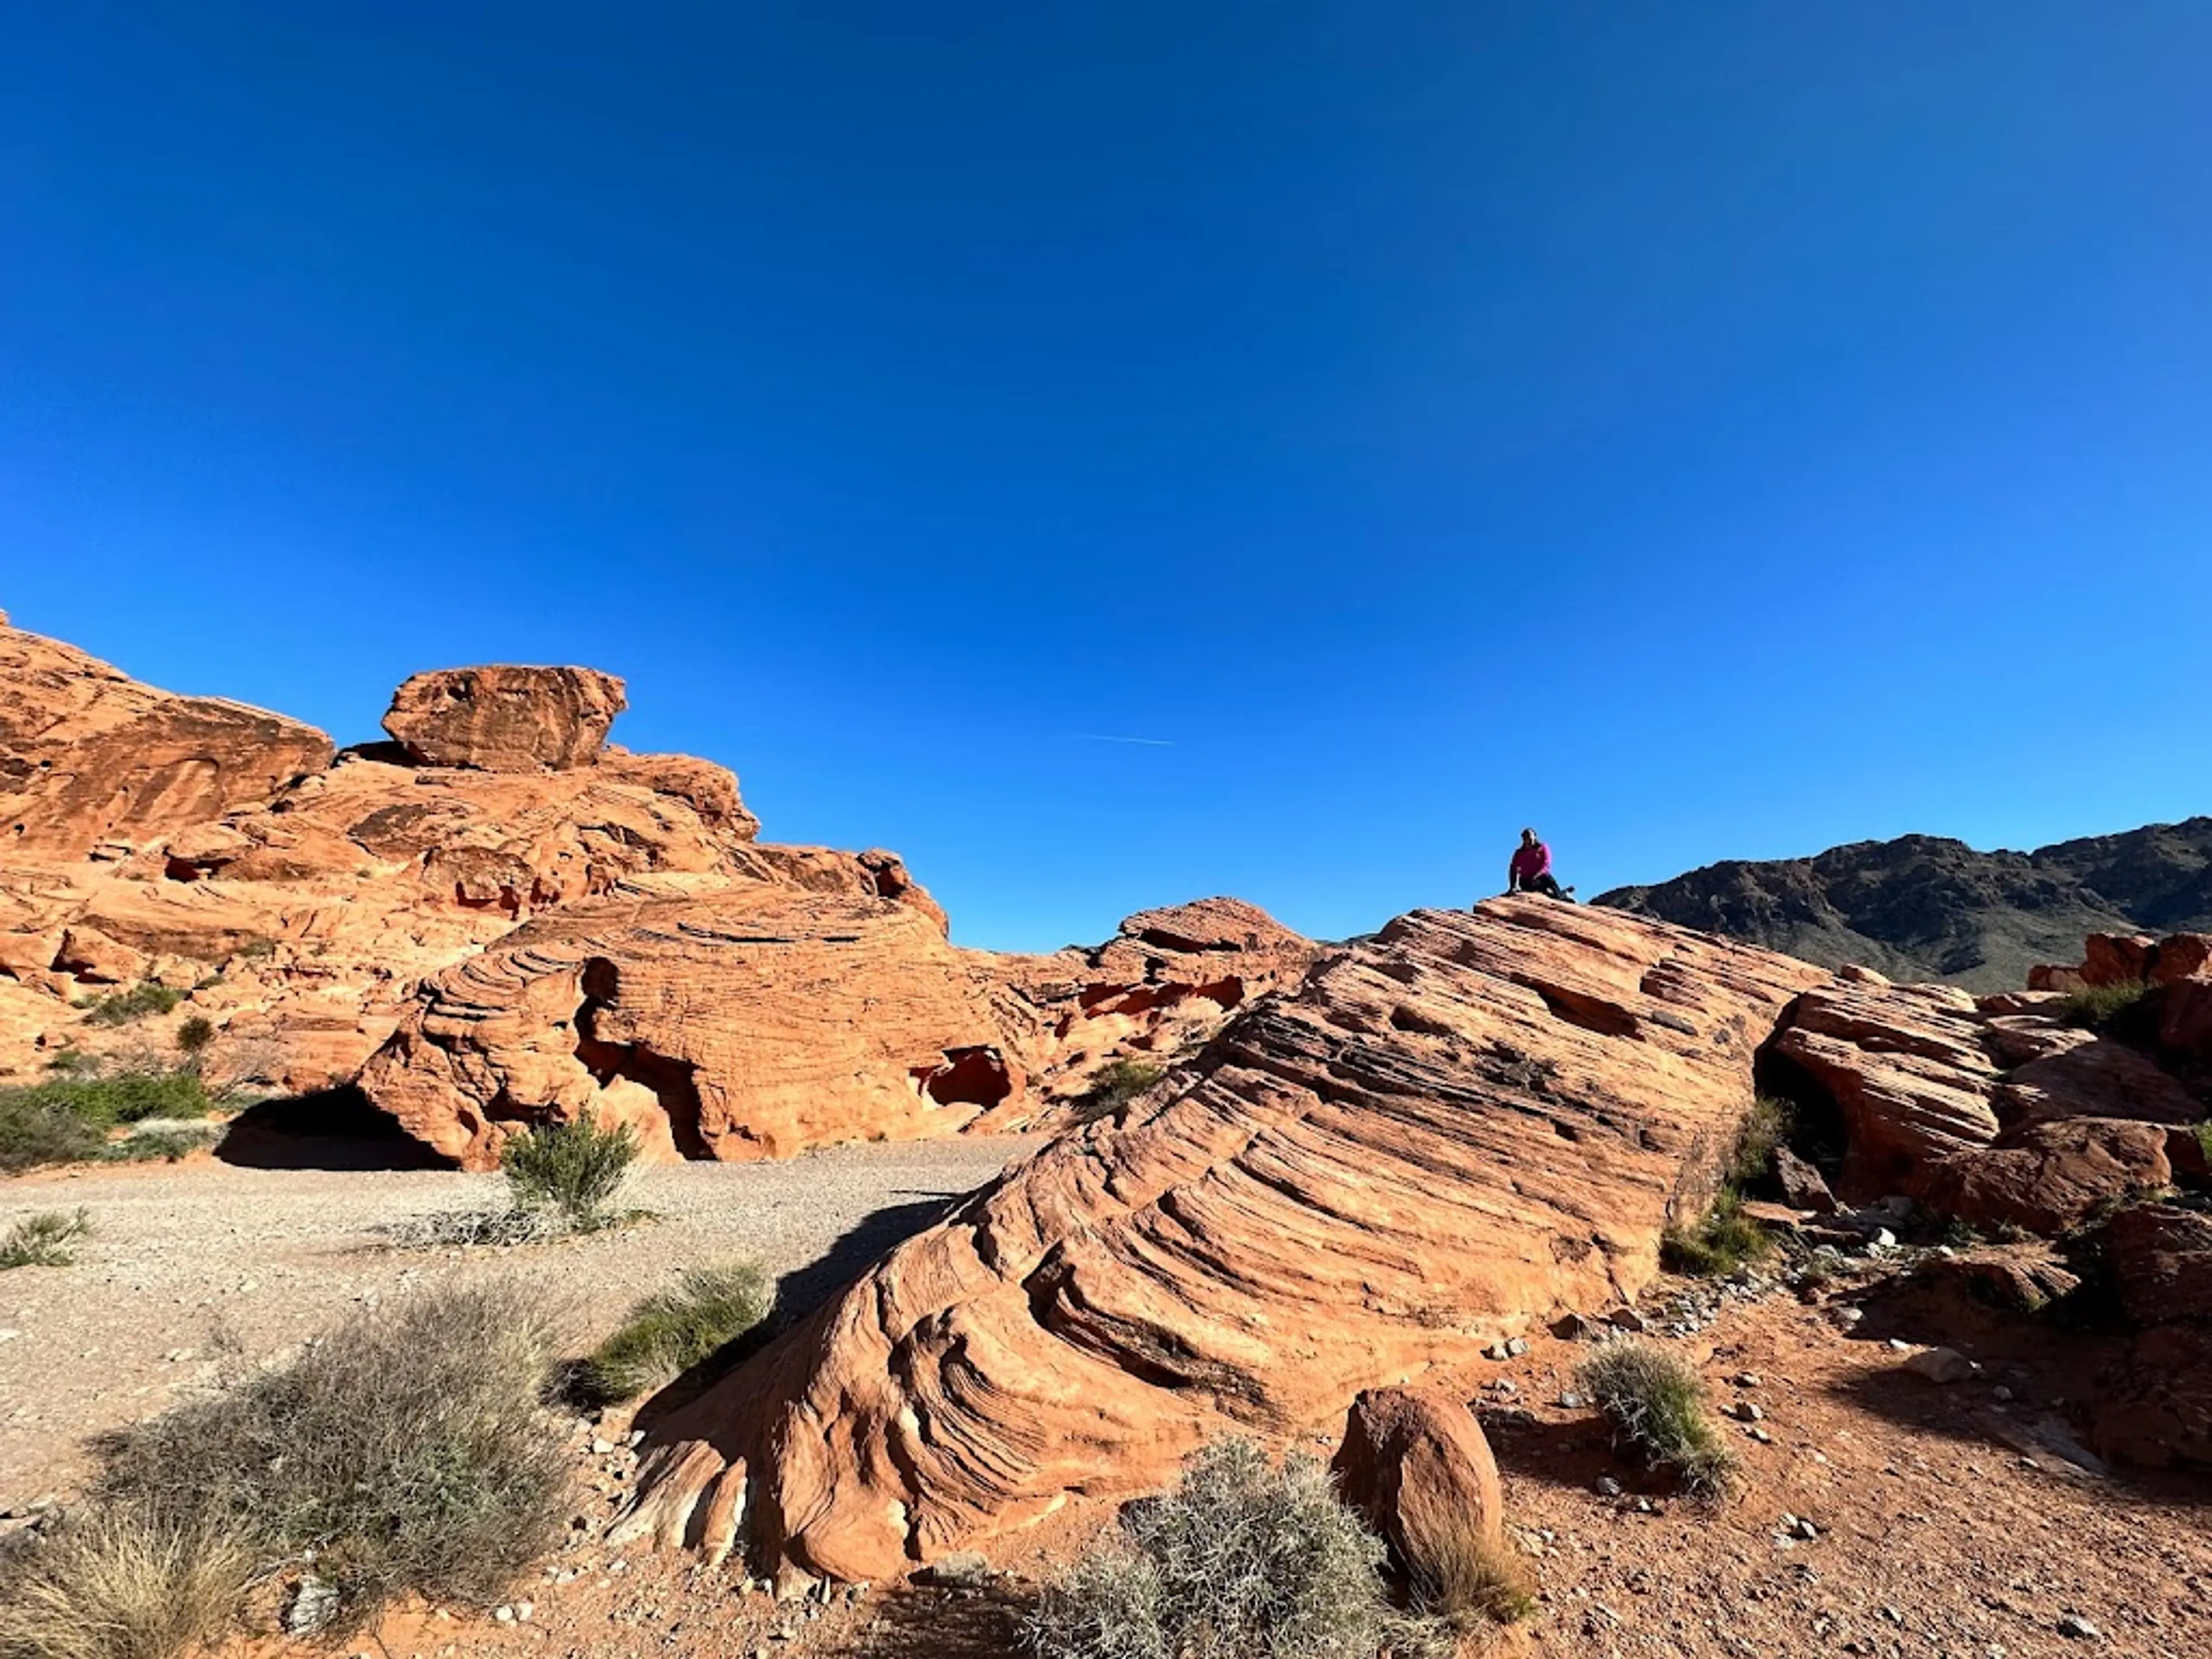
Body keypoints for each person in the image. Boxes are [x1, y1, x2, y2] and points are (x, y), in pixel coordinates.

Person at [1506, 828, 1574, 901]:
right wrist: (1513, 886)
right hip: (1526, 881)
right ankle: (1560, 893)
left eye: (1530, 837)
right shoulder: (1519, 853)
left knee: (1548, 878)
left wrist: (1536, 876)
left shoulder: (1542, 848)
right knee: (1541, 891)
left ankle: (1561, 896)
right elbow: (1513, 869)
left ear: (1535, 837)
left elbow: (1546, 865)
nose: (1528, 840)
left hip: (1541, 878)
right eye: (1525, 838)